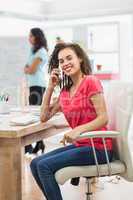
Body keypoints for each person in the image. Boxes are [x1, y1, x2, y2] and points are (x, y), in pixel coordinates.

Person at [30, 43, 113, 200]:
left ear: (80, 59)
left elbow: (103, 118)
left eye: (69, 58)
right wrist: (50, 86)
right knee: (35, 163)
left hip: (99, 148)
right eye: (61, 61)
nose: (65, 63)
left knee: (44, 166)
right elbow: (44, 117)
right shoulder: (65, 92)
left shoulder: (91, 81)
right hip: (81, 145)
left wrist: (78, 130)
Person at [24, 28, 48, 154]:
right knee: (33, 114)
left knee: (36, 115)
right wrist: (28, 68)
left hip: (38, 85)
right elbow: (26, 68)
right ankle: (39, 144)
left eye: (31, 36)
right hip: (33, 85)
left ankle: (33, 144)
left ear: (37, 37)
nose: (29, 38)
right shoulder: (32, 51)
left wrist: (28, 68)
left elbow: (31, 70)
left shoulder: (41, 51)